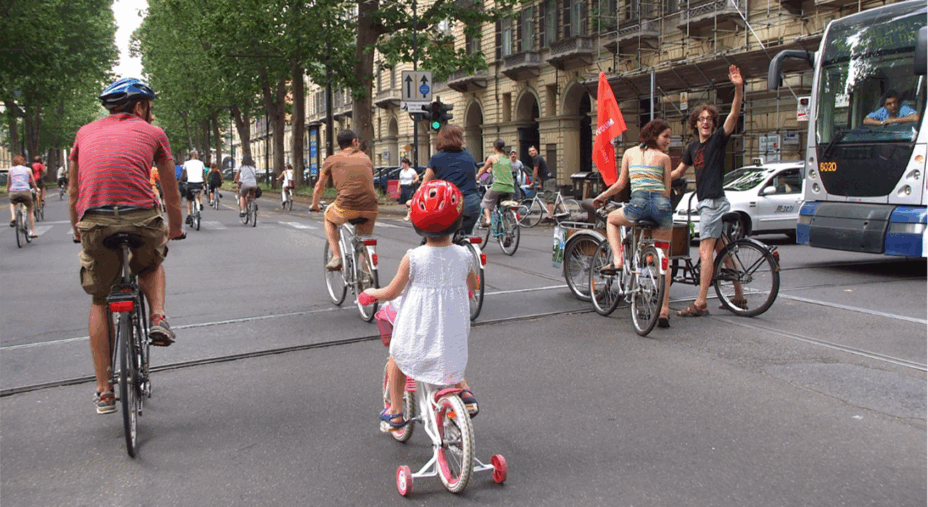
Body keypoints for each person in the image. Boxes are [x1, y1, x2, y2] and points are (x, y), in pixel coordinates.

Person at [68, 77, 184, 414]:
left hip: (95, 221)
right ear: (139, 106)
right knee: (150, 264)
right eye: (149, 106)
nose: (151, 112)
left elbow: (75, 192)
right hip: (141, 219)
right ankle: (158, 318)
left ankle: (104, 391)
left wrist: (78, 230)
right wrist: (175, 228)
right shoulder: (154, 133)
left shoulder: (83, 133)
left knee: (100, 298)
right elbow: (170, 189)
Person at [361, 180, 479, 430]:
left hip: (418, 334)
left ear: (416, 224)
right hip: (455, 333)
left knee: (398, 358)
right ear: (459, 222)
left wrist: (371, 293)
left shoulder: (413, 258)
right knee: (450, 358)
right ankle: (464, 392)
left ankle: (394, 412)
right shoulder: (465, 256)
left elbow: (391, 291)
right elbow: (473, 286)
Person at [670, 64, 746, 318]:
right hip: (708, 203)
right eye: (701, 119)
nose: (705, 122)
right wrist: (657, 178)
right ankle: (739, 295)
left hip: (713, 202)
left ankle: (701, 302)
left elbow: (734, 115)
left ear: (713, 123)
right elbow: (678, 173)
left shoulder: (717, 140)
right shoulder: (693, 148)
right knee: (721, 249)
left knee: (704, 251)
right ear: (696, 123)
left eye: (709, 119)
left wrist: (738, 88)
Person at [592, 119, 675, 328]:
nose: (669, 141)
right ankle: (664, 310)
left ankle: (618, 260)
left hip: (637, 206)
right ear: (654, 135)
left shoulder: (629, 153)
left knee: (612, 219)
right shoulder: (665, 158)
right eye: (666, 136)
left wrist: (602, 196)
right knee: (664, 256)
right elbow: (666, 191)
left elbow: (621, 184)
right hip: (662, 208)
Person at [310, 130, 378, 271]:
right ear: (354, 142)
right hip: (371, 208)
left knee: (328, 217)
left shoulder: (331, 159)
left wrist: (315, 204)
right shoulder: (366, 158)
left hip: (346, 207)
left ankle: (336, 256)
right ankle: (367, 279)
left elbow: (319, 186)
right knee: (365, 240)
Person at [420, 124, 481, 235]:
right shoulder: (469, 156)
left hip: (449, 206)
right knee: (465, 235)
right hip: (472, 204)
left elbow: (424, 185)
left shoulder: (436, 159)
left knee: (434, 239)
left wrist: (413, 199)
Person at [475, 139, 515, 228]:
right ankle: (508, 229)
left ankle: (488, 220)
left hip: (498, 186)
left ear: (495, 148)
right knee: (505, 209)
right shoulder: (507, 159)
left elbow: (482, 170)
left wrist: (475, 179)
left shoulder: (492, 158)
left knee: (486, 202)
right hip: (510, 188)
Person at [7, 154, 38, 237]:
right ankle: (31, 232)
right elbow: (33, 182)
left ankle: (13, 217)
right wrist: (36, 188)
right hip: (25, 191)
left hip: (14, 191)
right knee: (30, 210)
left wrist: (8, 191)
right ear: (23, 162)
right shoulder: (28, 169)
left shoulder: (10, 170)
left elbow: (9, 183)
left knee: (12, 203)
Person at [528, 145, 556, 223]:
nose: (532, 152)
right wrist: (541, 183)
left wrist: (533, 182)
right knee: (551, 197)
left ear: (536, 151)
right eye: (530, 151)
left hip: (548, 179)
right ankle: (561, 213)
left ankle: (550, 217)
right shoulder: (537, 158)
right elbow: (541, 173)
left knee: (549, 198)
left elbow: (535, 171)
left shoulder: (537, 158)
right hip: (548, 179)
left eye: (533, 150)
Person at [181, 150, 206, 223]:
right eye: (197, 154)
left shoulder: (186, 163)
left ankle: (189, 215)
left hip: (190, 183)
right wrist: (205, 181)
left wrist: (181, 180)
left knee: (188, 199)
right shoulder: (201, 163)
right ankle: (200, 203)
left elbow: (183, 174)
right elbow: (204, 174)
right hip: (199, 183)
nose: (198, 155)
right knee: (199, 191)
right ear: (195, 155)